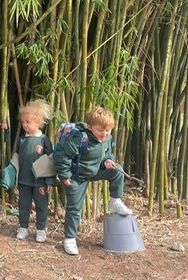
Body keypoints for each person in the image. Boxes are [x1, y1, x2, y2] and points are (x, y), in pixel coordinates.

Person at [54, 106, 133, 256]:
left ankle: (115, 201)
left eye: (108, 130)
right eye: (100, 130)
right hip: (77, 176)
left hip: (94, 170)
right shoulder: (80, 138)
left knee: (117, 171)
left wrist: (108, 161)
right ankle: (70, 238)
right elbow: (62, 156)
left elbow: (107, 153)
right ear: (90, 127)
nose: (105, 134)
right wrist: (65, 176)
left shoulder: (107, 138)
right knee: (75, 208)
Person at [16, 100, 55, 243]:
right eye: (23, 122)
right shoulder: (21, 140)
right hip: (24, 180)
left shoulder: (44, 140)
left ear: (38, 122)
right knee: (24, 204)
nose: (24, 125)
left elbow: (51, 162)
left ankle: (40, 229)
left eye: (28, 122)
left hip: (40, 181)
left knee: (41, 206)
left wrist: (50, 181)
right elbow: (16, 160)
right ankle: (23, 227)